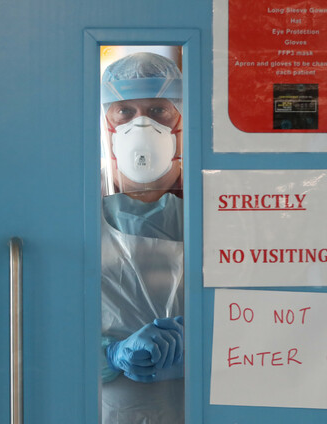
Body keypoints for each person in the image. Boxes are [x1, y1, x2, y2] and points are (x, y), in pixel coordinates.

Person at [100, 52, 185, 423]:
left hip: (200, 402)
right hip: (108, 408)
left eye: (158, 110)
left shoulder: (215, 203)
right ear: (107, 122)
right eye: (125, 111)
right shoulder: (77, 205)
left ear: (181, 118)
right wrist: (109, 354)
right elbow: (51, 323)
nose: (142, 124)